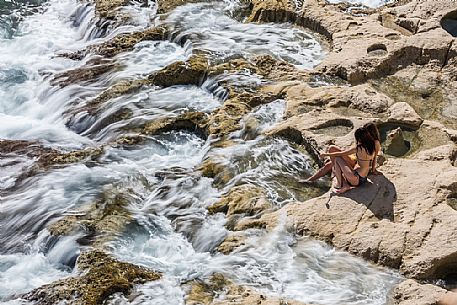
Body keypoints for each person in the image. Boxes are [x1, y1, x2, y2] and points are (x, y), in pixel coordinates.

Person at [304, 122, 382, 182]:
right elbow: (353, 150)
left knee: (331, 163)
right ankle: (310, 180)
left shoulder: (375, 143)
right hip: (354, 159)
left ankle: (333, 173)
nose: (365, 133)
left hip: (358, 164)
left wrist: (373, 170)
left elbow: (374, 156)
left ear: (371, 132)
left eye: (367, 132)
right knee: (331, 153)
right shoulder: (364, 140)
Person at [319, 127, 376, 194]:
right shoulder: (372, 146)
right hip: (363, 178)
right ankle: (340, 177)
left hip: (356, 179)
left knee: (337, 159)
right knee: (337, 157)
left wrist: (325, 154)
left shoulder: (358, 148)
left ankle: (341, 185)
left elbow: (341, 154)